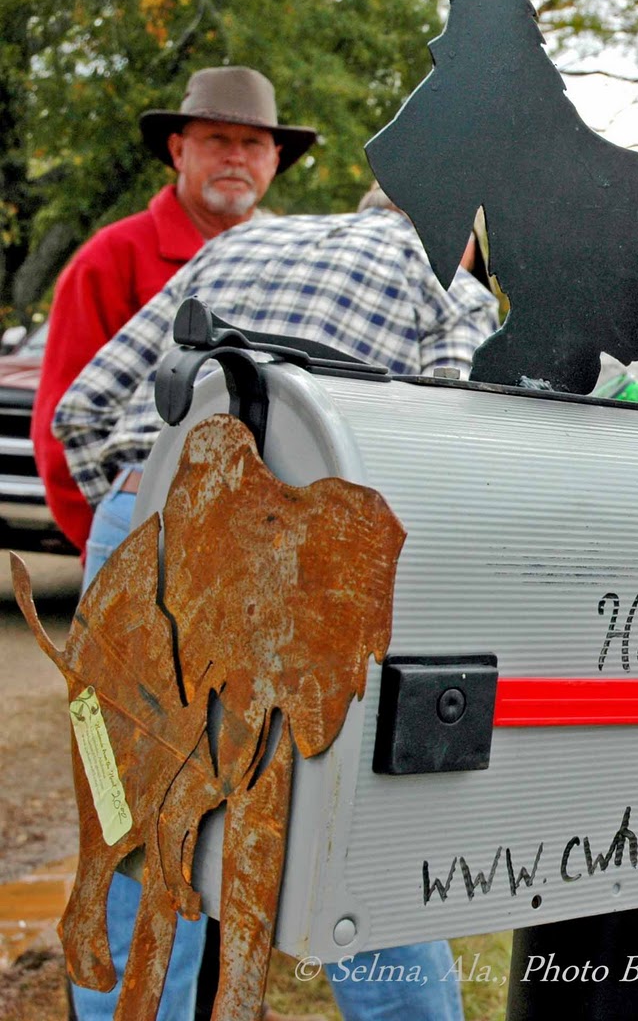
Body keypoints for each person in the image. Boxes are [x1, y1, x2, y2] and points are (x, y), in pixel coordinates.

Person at [54, 205, 500, 1020]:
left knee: (136, 834)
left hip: (147, 515)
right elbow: (447, 446)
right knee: (346, 843)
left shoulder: (237, 243)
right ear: (468, 235)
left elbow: (83, 410)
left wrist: (133, 515)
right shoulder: (447, 277)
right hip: (295, 558)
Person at [31, 66, 316, 557]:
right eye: (217, 139)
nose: (235, 156)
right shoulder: (109, 259)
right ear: (178, 150)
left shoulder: (302, 261)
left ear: (275, 159)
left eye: (252, 143)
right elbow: (63, 424)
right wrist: (114, 537)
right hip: (143, 530)